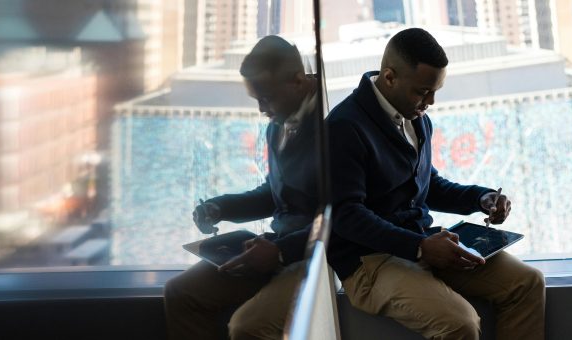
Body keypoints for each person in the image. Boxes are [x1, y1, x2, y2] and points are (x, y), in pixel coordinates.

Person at [326, 28, 545, 340]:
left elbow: (428, 184)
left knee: (527, 283)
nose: (431, 101)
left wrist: (481, 199)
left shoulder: (415, 117)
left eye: (435, 91)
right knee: (460, 324)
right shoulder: (343, 127)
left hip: (419, 242)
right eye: (423, 91)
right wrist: (419, 247)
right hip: (369, 262)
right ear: (389, 77)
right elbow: (346, 215)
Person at [163, 35, 321, 340]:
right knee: (180, 292)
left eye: (267, 98)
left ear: (298, 81)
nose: (262, 109)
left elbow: (341, 219)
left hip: (316, 259)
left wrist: (278, 252)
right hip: (278, 247)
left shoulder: (336, 127)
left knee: (245, 328)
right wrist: (221, 208)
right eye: (257, 99)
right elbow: (276, 195)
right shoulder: (280, 122)